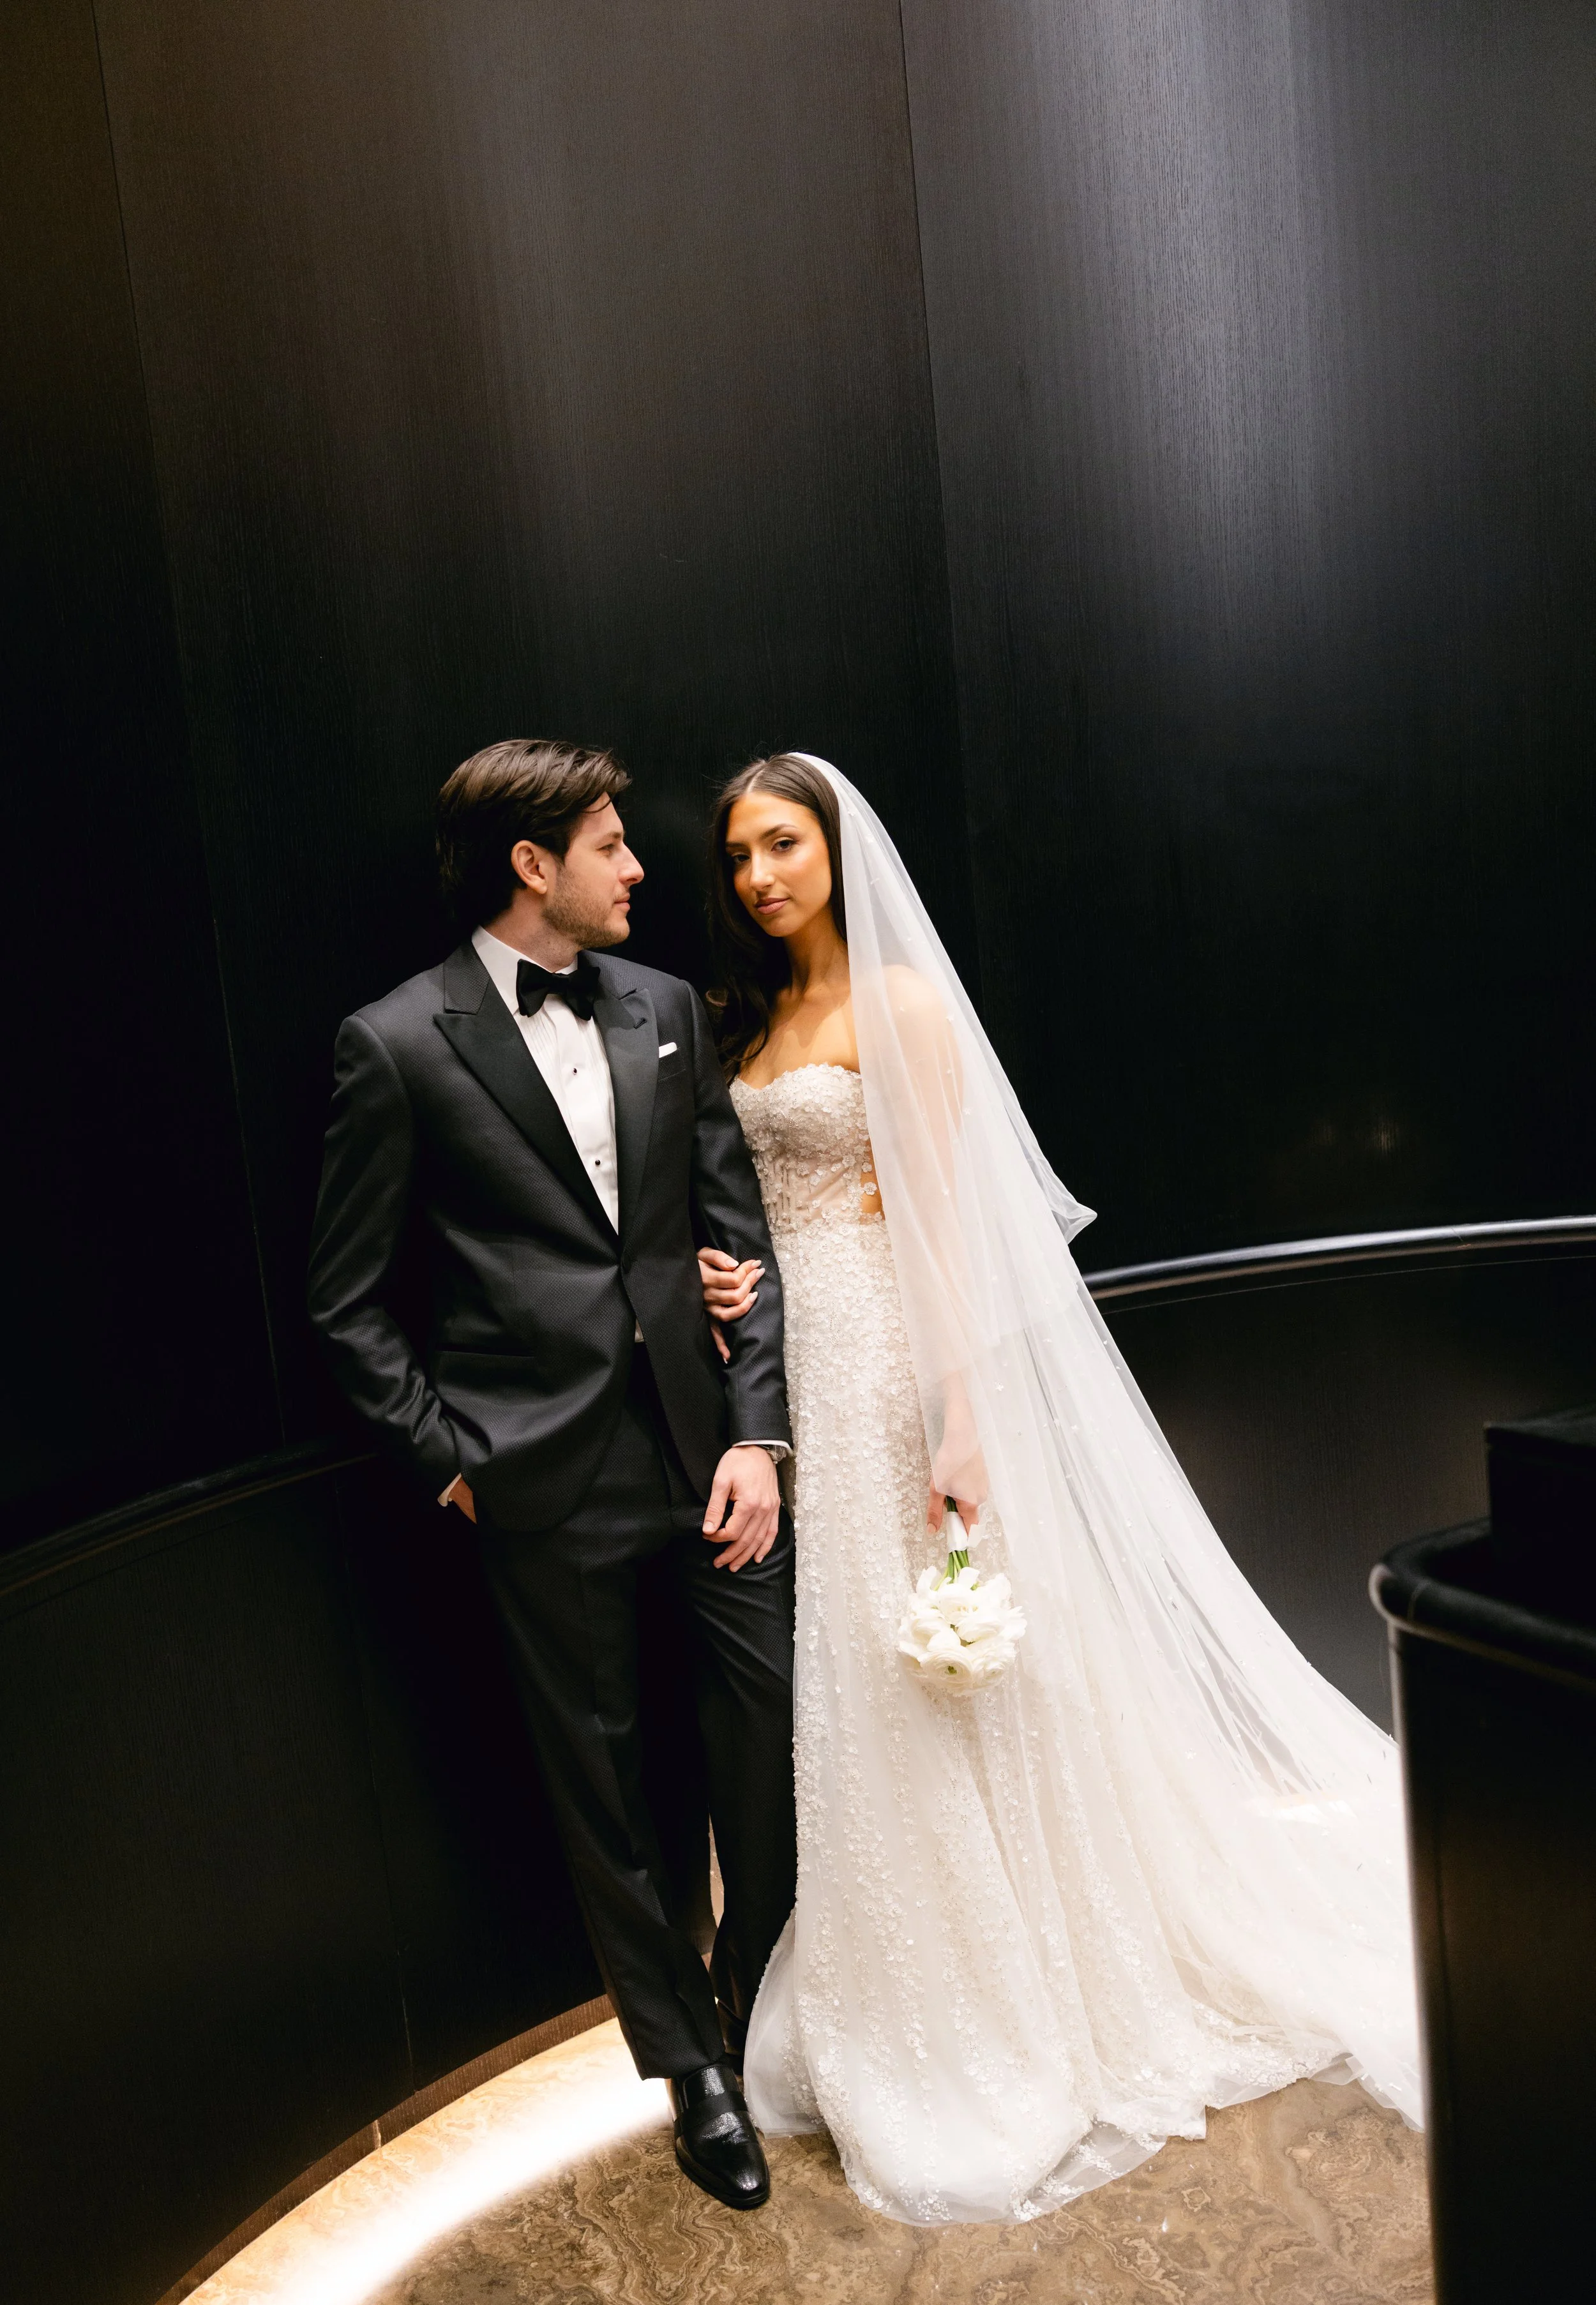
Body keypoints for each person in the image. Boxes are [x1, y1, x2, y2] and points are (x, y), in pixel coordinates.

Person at [697, 751, 1422, 2226]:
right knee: (848, 1677)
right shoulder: (755, 1017)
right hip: (798, 1377)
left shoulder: (898, 1008)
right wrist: (727, 1278)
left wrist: (961, 1420)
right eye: (736, 858)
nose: (759, 876)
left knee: (940, 1676)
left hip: (896, 1362)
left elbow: (950, 1225)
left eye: (781, 843)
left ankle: (997, 2002)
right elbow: (757, 1200)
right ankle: (877, 1983)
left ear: (836, 848)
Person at [308, 738, 796, 2211]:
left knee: (773, 1751)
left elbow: (740, 1236)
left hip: (710, 1459)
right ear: (533, 864)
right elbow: (345, 1301)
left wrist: (759, 1432)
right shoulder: (394, 1042)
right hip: (540, 1481)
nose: (639, 867)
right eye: (609, 841)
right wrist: (454, 1465)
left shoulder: (661, 1008)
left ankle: (746, 1989)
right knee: (605, 1791)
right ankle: (694, 2067)